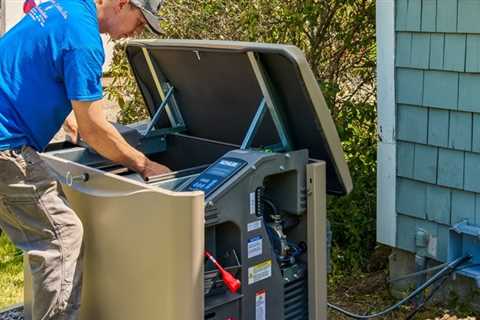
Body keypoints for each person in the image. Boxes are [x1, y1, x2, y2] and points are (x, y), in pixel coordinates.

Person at [0, 0, 170, 318]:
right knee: (61, 238)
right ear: (122, 4)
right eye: (141, 19)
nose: (139, 29)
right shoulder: (86, 41)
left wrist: (70, 117)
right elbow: (95, 132)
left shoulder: (66, 5)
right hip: (6, 145)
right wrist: (144, 165)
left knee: (43, 236)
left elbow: (32, 60)